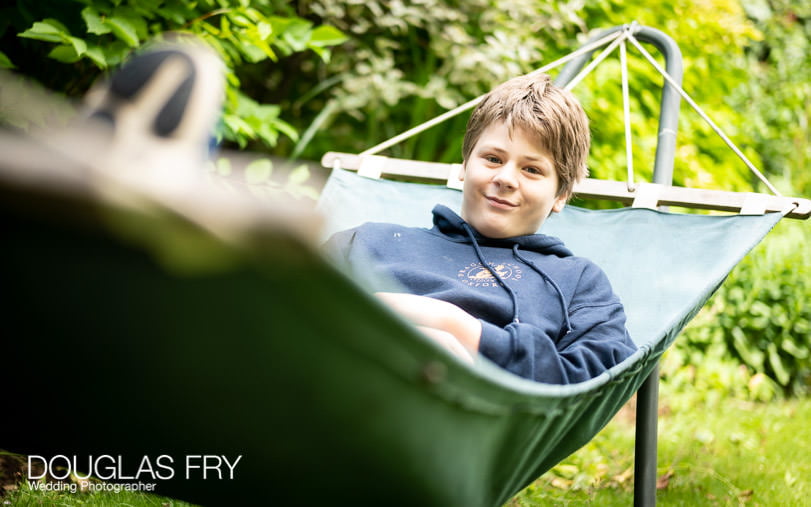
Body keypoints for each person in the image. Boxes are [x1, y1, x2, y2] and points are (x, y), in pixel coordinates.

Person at [324, 73, 638, 384]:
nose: (505, 178)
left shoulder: (577, 282)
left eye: (532, 169)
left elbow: (594, 379)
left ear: (561, 195)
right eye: (492, 158)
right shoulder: (366, 243)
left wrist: (465, 331)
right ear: (464, 166)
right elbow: (289, 308)